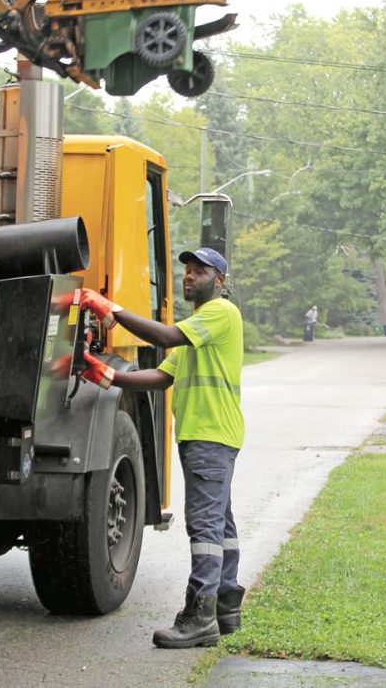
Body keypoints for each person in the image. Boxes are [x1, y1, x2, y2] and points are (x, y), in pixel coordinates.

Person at [79, 247, 245, 649]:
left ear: (219, 282)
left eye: (199, 271)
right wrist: (109, 377)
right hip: (207, 436)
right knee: (220, 525)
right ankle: (226, 607)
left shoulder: (221, 313)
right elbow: (160, 376)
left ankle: (199, 616)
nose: (189, 276)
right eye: (187, 270)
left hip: (210, 436)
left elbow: (165, 336)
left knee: (204, 526)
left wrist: (111, 310)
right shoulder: (197, 331)